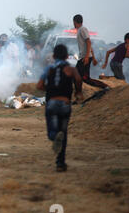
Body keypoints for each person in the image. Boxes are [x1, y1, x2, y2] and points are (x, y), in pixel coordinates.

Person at [36, 44, 83, 172]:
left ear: (54, 56)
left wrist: (51, 89)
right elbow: (79, 79)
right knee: (64, 132)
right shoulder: (71, 69)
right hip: (65, 104)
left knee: (53, 132)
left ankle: (54, 136)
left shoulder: (49, 68)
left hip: (51, 103)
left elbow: (39, 85)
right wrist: (78, 92)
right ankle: (60, 163)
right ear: (67, 56)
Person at [73, 14, 108, 89]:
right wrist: (94, 58)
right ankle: (78, 93)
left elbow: (88, 42)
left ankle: (105, 87)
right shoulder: (80, 30)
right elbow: (88, 45)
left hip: (85, 58)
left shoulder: (82, 29)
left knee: (85, 78)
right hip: (83, 57)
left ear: (75, 21)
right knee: (76, 76)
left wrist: (87, 57)